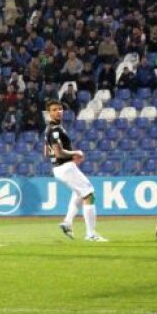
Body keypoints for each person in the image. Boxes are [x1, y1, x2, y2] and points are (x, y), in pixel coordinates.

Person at [45, 100, 106, 242]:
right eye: (54, 109)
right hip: (65, 167)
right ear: (49, 113)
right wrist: (75, 153)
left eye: (60, 109)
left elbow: (47, 153)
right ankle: (91, 234)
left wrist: (69, 157)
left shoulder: (50, 129)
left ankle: (67, 222)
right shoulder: (55, 130)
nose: (58, 111)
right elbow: (58, 153)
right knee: (89, 194)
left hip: (60, 168)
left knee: (78, 194)